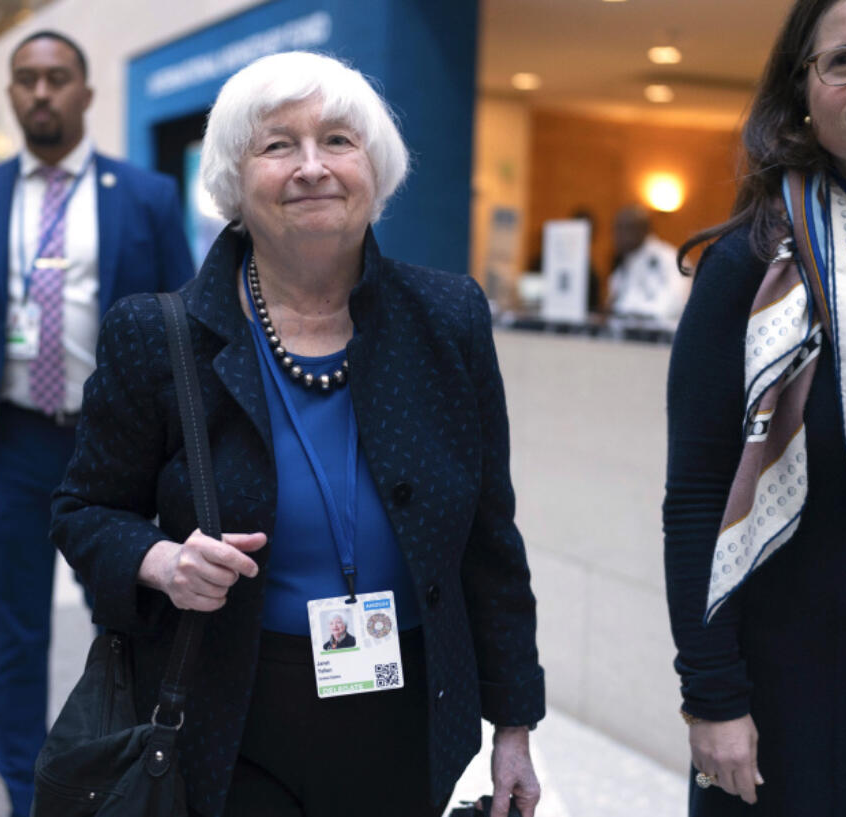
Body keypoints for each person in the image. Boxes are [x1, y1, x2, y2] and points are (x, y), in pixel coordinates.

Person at [51, 51, 544, 817]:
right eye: (278, 145)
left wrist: (514, 723)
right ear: (232, 183)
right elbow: (84, 509)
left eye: (339, 142)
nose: (312, 167)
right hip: (230, 712)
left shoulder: (449, 319)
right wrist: (162, 560)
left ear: (373, 169)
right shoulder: (157, 334)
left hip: (406, 709)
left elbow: (491, 538)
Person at [0, 29, 194, 817]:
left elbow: (186, 325)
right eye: (27, 80)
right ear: (11, 94)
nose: (41, 92)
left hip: (117, 455)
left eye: (58, 78)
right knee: (16, 641)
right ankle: (23, 793)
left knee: (134, 625)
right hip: (10, 447)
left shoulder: (146, 196)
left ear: (85, 92)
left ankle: (139, 778)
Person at [665, 0, 846, 813]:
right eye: (844, 60)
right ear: (803, 94)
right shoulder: (745, 268)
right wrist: (713, 697)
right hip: (801, 690)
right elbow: (698, 496)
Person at [607, 204, 690, 324]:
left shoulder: (667, 259)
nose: (618, 235)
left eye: (625, 228)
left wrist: (635, 314)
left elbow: (675, 301)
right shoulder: (625, 263)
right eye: (615, 229)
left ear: (643, 230)